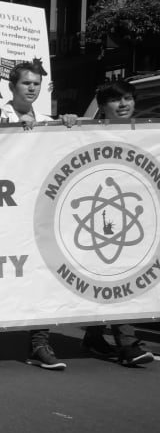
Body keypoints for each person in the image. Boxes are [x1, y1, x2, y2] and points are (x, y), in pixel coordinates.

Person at [0, 61, 75, 369]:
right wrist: (13, 133)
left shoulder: (46, 120)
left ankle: (39, 342)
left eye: (36, 84)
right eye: (25, 83)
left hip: (35, 210)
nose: (31, 88)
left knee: (40, 272)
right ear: (11, 86)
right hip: (0, 207)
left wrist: (68, 124)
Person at [80, 81, 155, 367]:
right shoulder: (85, 133)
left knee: (116, 279)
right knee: (117, 278)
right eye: (115, 100)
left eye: (127, 98)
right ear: (101, 107)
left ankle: (94, 336)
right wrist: (68, 123)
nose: (123, 104)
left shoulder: (147, 133)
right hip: (99, 216)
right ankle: (128, 345)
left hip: (137, 217)